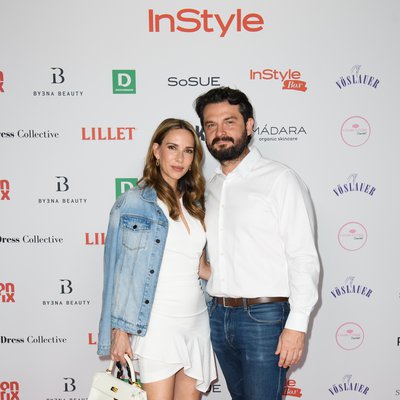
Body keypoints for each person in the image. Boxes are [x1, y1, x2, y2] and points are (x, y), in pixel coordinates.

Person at [194, 87, 320, 400]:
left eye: (229, 122)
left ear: (249, 126)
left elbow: (303, 256)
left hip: (265, 318)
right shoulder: (210, 188)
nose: (220, 132)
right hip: (218, 316)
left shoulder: (280, 179)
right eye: (211, 125)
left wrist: (297, 325)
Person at [97, 118, 217, 400]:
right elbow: (117, 271)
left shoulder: (196, 204)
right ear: (156, 151)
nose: (180, 158)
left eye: (188, 151)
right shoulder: (133, 203)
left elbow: (200, 267)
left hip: (197, 322)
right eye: (172, 148)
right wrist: (119, 331)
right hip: (157, 324)